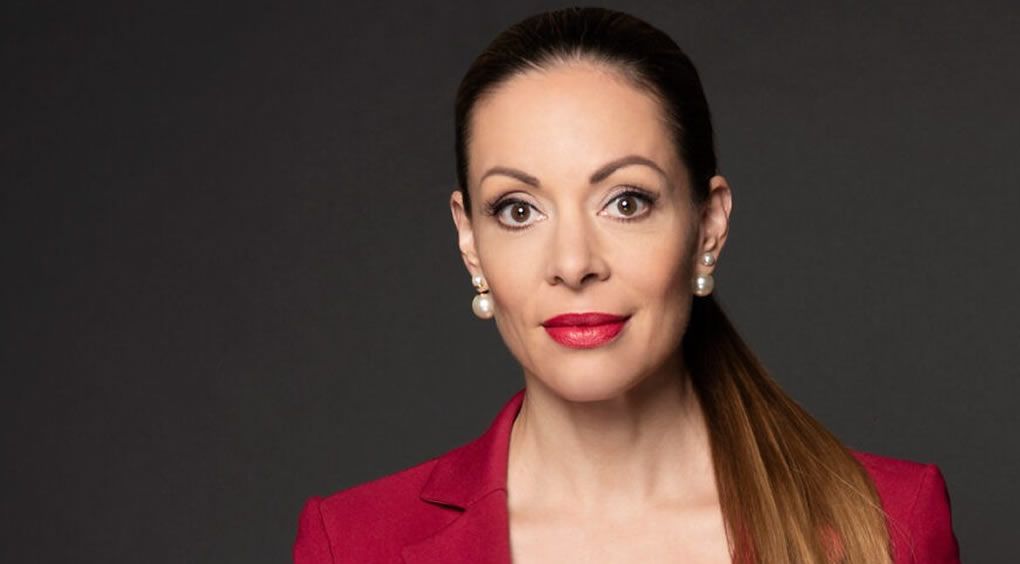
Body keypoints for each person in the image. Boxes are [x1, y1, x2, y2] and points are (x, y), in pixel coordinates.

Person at [293, 6, 960, 563]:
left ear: (708, 225)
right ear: (470, 240)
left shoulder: (890, 522)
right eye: (518, 210)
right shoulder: (350, 544)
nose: (573, 262)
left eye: (626, 202)